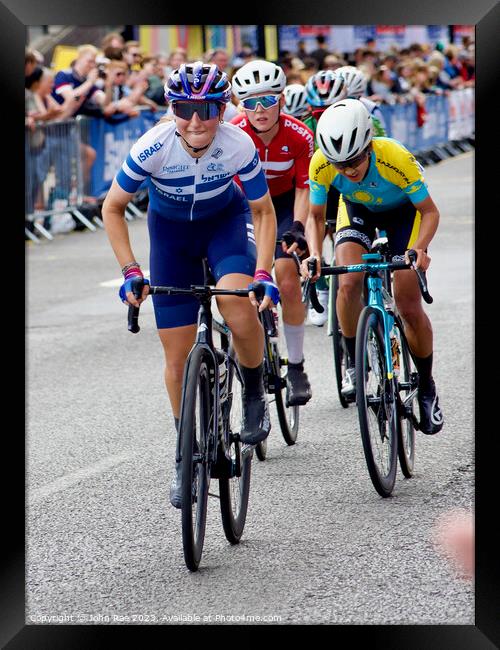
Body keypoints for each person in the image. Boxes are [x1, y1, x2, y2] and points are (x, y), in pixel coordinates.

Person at [101, 61, 279, 508]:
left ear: (222, 108)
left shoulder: (238, 144)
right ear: (172, 109)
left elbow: (263, 211)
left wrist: (262, 274)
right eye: (184, 109)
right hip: (172, 237)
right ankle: (186, 454)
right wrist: (130, 271)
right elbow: (112, 208)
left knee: (237, 306)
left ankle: (255, 390)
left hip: (225, 224)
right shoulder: (153, 147)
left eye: (207, 109)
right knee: (177, 356)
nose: (196, 121)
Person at [305, 99, 444, 435]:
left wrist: (419, 249)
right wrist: (314, 254)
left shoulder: (394, 157)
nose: (348, 170)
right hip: (357, 212)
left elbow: (430, 212)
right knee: (349, 282)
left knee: (409, 303)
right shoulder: (321, 163)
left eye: (354, 160)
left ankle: (426, 386)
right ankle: (354, 360)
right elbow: (314, 216)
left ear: (368, 145)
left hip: (404, 215)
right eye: (340, 164)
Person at [230, 59, 315, 407]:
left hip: (282, 206)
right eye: (250, 102)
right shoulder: (234, 134)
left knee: (286, 276)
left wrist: (297, 227)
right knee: (238, 282)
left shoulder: (299, 136)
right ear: (240, 105)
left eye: (267, 100)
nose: (260, 109)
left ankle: (296, 366)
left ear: (281, 99)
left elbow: (304, 188)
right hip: (242, 206)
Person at [301, 70, 349, 326]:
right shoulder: (305, 128)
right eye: (319, 113)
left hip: (351, 185)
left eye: (332, 109)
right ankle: (320, 284)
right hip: (320, 184)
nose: (325, 116)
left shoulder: (359, 118)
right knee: (314, 232)